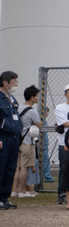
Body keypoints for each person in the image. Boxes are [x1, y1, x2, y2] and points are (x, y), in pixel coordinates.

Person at [12, 86, 42, 197]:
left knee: (18, 167)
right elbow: (39, 125)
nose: (38, 98)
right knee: (25, 167)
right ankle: (22, 191)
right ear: (32, 97)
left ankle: (15, 190)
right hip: (27, 141)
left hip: (18, 141)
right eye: (37, 96)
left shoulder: (17, 108)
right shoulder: (32, 111)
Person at [0, 70, 22, 210]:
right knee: (1, 168)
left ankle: (4, 197)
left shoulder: (12, 99)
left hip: (14, 139)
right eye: (14, 82)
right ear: (5, 83)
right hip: (3, 138)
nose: (16, 84)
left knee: (10, 169)